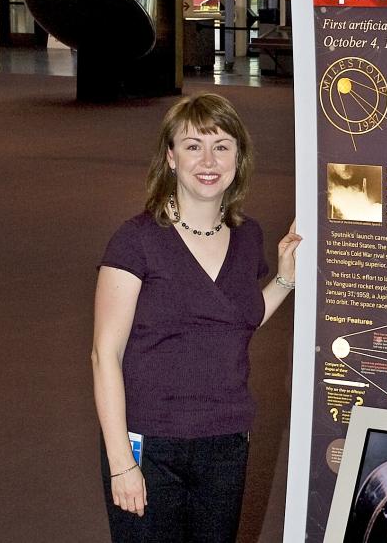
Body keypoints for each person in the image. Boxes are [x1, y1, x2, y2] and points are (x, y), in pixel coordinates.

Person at [90, 93, 301, 542]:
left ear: (238, 157)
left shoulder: (249, 237)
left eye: (221, 146)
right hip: (150, 442)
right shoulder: (136, 240)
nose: (208, 160)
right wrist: (120, 461)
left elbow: (235, 321)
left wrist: (283, 282)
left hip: (225, 441)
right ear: (170, 157)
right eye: (192, 146)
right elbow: (104, 355)